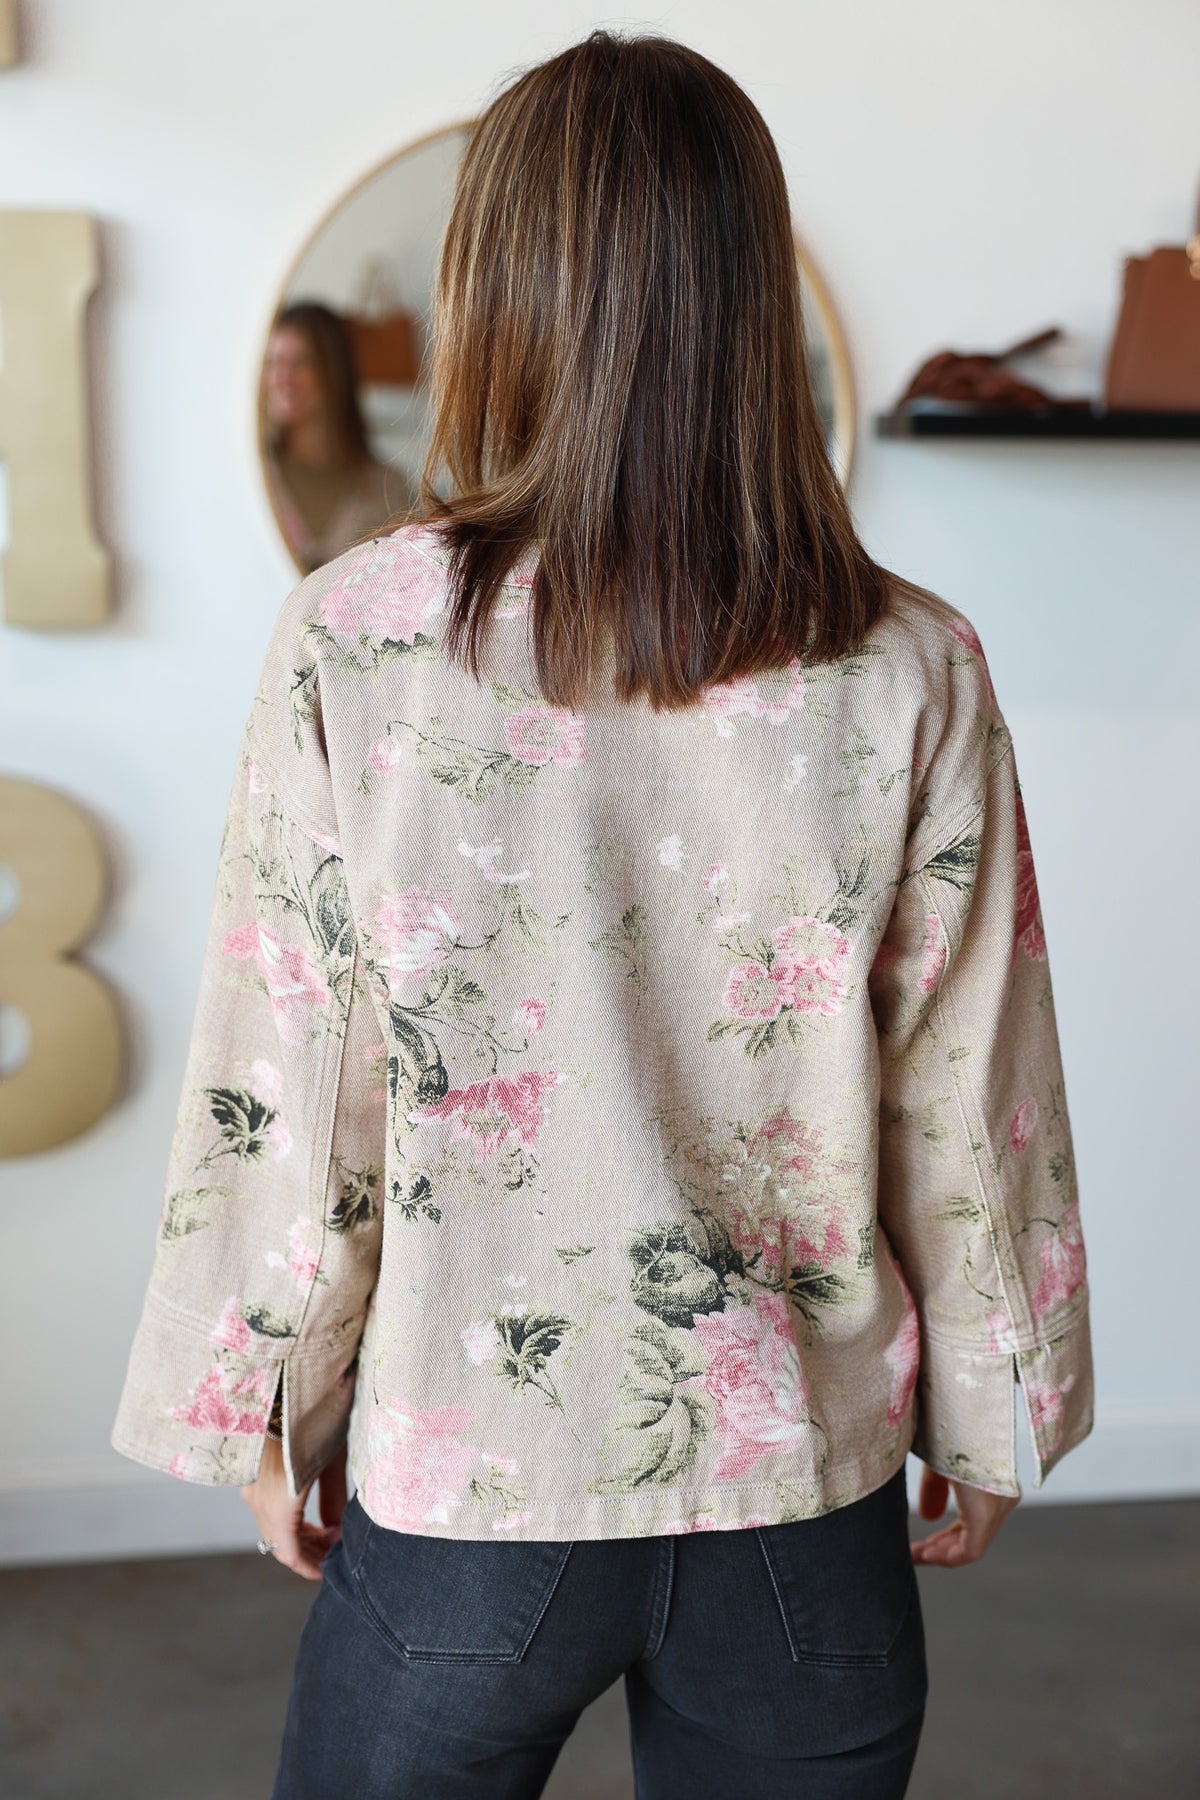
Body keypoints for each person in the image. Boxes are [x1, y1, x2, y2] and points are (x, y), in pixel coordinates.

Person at [112, 30, 1094, 1799]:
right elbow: (973, 1092)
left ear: (495, 291)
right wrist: (994, 1401)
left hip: (471, 1484)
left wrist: (268, 1402)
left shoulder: (359, 639)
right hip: (802, 1500)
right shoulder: (913, 662)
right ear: (749, 292)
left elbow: (302, 1076)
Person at [261, 299, 415, 573]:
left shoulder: (389, 491)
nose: (282, 377)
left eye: (300, 362)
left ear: (334, 369)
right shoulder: (256, 478)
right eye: (272, 362)